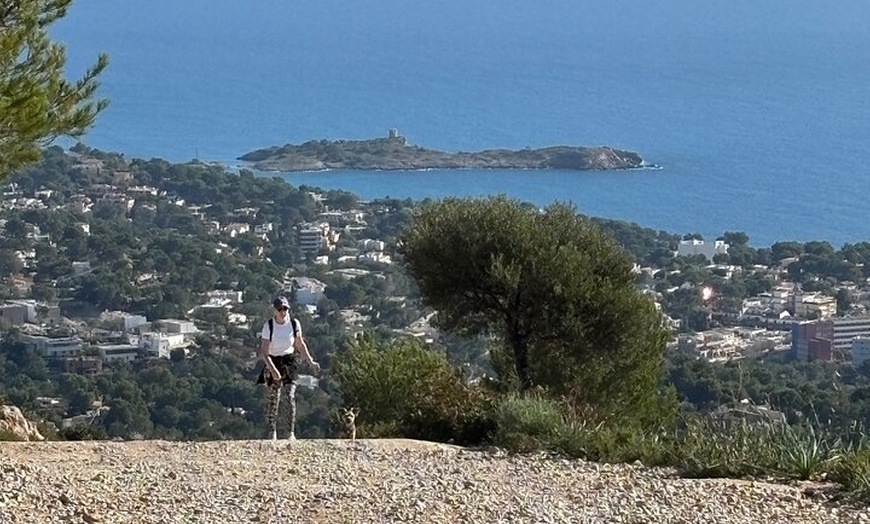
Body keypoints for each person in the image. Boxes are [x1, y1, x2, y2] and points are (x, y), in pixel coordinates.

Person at [257, 296, 320, 440]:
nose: (283, 312)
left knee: (289, 396)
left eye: (285, 308)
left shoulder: (294, 324)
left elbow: (299, 344)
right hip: (273, 360)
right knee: (274, 398)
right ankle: (272, 431)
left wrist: (311, 362)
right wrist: (273, 371)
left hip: (289, 360)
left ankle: (290, 432)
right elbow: (264, 352)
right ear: (275, 311)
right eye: (280, 309)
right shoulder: (269, 326)